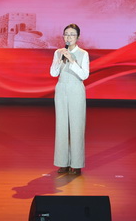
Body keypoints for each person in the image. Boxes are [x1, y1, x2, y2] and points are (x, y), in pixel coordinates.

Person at [50, 23, 90, 175]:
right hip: (61, 90)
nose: (69, 37)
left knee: (76, 126)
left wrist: (72, 61)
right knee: (61, 126)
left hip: (76, 89)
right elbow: (53, 73)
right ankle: (63, 163)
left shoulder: (83, 54)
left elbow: (84, 75)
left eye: (72, 34)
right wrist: (60, 59)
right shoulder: (58, 52)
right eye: (66, 34)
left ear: (78, 37)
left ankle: (76, 164)